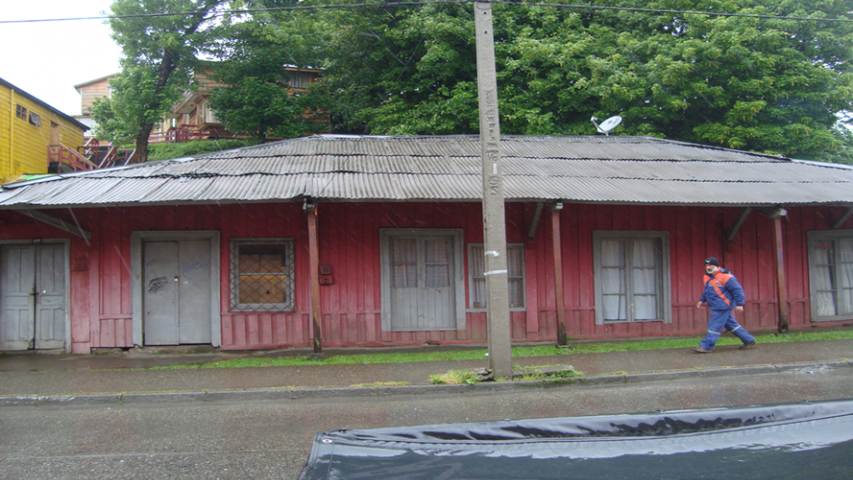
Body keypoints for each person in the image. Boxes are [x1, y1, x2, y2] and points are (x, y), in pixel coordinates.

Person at [692, 257, 756, 353]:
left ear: (716, 266)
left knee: (714, 325)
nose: (708, 267)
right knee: (731, 324)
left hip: (723, 306)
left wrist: (740, 304)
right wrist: (702, 300)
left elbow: (737, 290)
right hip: (718, 305)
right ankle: (748, 340)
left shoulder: (725, 276)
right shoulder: (708, 277)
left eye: (710, 265)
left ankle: (706, 346)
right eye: (706, 265)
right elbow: (708, 291)